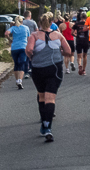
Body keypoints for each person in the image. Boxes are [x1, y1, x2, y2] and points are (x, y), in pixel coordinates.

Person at [27, 12, 72, 142]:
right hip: (55, 68)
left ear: (39, 23)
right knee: (50, 98)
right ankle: (48, 127)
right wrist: (59, 52)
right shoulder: (58, 35)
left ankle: (43, 123)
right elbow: (68, 51)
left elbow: (29, 50)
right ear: (52, 23)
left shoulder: (34, 36)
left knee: (41, 95)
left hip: (38, 69)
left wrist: (32, 57)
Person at [6, 15, 30, 89]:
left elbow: (6, 33)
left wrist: (9, 40)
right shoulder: (26, 28)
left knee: (16, 64)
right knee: (22, 63)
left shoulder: (13, 28)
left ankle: (17, 80)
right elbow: (28, 38)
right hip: (23, 47)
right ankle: (20, 80)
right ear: (22, 21)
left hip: (14, 48)